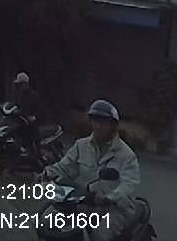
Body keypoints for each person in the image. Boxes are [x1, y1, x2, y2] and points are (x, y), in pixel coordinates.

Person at [40, 100, 140, 241]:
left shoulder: (126, 155)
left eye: (103, 122)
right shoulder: (81, 145)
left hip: (115, 210)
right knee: (51, 224)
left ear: (113, 125)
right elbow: (65, 167)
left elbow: (129, 184)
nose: (98, 126)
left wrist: (110, 197)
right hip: (85, 203)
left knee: (99, 235)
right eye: (95, 121)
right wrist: (46, 173)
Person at [9, 72, 42, 153]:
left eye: (19, 84)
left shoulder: (34, 95)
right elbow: (15, 105)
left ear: (25, 84)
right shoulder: (18, 94)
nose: (18, 86)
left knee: (33, 137)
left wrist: (34, 117)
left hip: (31, 123)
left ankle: (37, 153)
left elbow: (41, 110)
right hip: (20, 121)